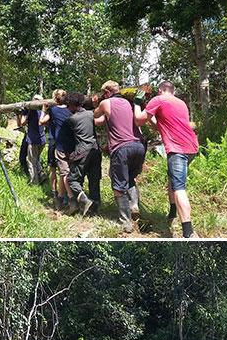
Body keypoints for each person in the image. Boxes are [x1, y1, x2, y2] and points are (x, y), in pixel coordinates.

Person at [133, 81, 200, 238]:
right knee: (172, 179)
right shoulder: (181, 103)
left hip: (177, 150)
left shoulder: (159, 99)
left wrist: (137, 104)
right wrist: (147, 109)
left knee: (179, 188)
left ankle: (188, 232)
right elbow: (160, 126)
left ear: (160, 90)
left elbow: (138, 121)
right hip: (191, 147)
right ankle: (172, 213)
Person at [93, 81, 147, 232]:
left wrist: (95, 103)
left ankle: (125, 222)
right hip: (139, 146)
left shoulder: (106, 102)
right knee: (129, 177)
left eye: (104, 93)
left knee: (118, 186)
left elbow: (96, 115)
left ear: (107, 92)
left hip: (122, 148)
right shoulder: (130, 103)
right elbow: (100, 122)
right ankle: (134, 205)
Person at [64, 92, 102, 216]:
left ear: (72, 105)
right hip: (96, 150)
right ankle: (94, 209)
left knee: (72, 179)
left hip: (82, 152)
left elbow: (68, 139)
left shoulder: (71, 119)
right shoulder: (91, 114)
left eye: (68, 105)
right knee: (94, 179)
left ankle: (84, 200)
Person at [40, 89, 73, 210]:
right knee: (65, 170)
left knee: (54, 169)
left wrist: (43, 111)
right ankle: (64, 196)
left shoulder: (53, 111)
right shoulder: (70, 111)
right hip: (68, 144)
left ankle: (57, 195)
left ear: (55, 99)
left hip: (55, 142)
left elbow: (41, 122)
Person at [17, 94, 47, 186]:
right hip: (42, 139)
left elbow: (21, 123)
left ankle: (34, 182)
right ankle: (41, 175)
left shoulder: (31, 111)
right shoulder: (43, 111)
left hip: (33, 139)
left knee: (31, 161)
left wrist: (20, 114)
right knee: (36, 158)